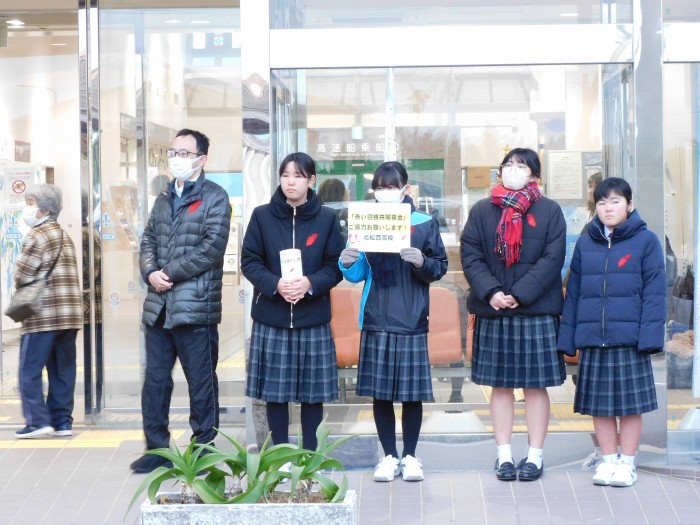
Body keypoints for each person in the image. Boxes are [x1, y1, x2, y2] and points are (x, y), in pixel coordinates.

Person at [460, 147, 566, 482]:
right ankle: (504, 455)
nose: (513, 170)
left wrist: (519, 294)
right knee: (500, 386)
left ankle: (535, 456)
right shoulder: (482, 210)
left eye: (521, 166)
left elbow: (553, 259)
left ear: (535, 175)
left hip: (535, 310)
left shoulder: (550, 211)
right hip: (494, 310)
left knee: (535, 387)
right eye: (508, 164)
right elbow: (470, 255)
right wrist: (491, 292)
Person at [130, 128, 231, 473]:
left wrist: (167, 272)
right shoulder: (163, 197)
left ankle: (203, 448)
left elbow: (211, 248)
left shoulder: (215, 197)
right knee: (155, 381)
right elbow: (147, 240)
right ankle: (156, 449)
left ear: (202, 159)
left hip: (195, 307)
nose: (176, 159)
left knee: (201, 382)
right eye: (173, 152)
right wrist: (149, 273)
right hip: (158, 308)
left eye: (184, 153)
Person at [339, 161, 448, 483]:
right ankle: (388, 456)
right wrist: (347, 263)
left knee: (412, 394)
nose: (385, 192)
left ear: (405, 189)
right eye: (380, 187)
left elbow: (438, 267)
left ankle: (411, 456)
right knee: (381, 393)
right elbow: (358, 273)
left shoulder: (424, 222)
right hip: (376, 315)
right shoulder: (366, 221)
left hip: (411, 316)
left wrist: (422, 261)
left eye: (391, 186)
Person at [557, 177, 665, 487]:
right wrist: (569, 337)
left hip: (629, 339)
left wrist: (649, 339)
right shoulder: (586, 241)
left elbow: (655, 294)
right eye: (602, 202)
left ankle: (627, 463)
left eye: (615, 201)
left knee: (630, 408)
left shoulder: (647, 241)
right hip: (594, 338)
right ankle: (607, 461)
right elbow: (574, 292)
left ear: (630, 205)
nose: (608, 208)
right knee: (599, 406)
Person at [241, 152, 344, 454]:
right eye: (285, 175)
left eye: (298, 176)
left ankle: (310, 456)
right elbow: (250, 261)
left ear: (311, 180)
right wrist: (275, 284)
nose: (290, 182)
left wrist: (310, 283)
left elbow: (335, 265)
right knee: (275, 394)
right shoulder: (262, 216)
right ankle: (281, 457)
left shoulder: (326, 219)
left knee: (313, 395)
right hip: (272, 316)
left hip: (312, 316)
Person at [13, 184, 82, 439]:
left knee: (29, 369)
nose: (28, 208)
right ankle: (62, 421)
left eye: (31, 203)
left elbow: (22, 275)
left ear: (44, 209)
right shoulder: (64, 235)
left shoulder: (36, 235)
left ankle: (37, 421)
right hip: (69, 315)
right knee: (62, 370)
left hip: (42, 316)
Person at [81, 190, 103, 415]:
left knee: (91, 357)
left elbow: (88, 273)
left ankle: (91, 401)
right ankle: (91, 400)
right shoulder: (89, 231)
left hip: (90, 307)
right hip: (91, 307)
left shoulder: (85, 234)